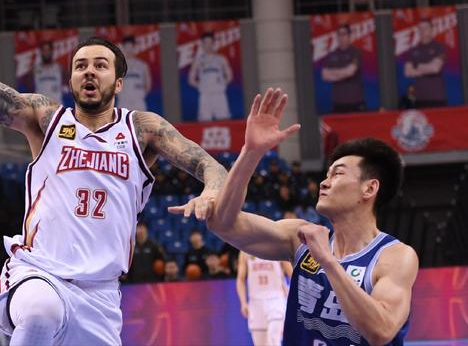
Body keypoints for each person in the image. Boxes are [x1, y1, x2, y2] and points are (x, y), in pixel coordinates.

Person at [0, 0, 226, 346]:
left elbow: (211, 166)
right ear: (72, 80)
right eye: (80, 65)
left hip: (101, 294)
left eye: (100, 65)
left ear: (118, 82)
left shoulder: (142, 130)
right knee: (40, 313)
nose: (89, 70)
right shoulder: (45, 119)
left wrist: (211, 191)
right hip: (39, 273)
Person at [173, 88, 419, 345]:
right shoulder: (299, 237)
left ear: (369, 188)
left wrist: (328, 262)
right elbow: (224, 224)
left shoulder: (394, 257)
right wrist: (251, 152)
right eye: (326, 174)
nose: (324, 182)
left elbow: (381, 330)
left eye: (337, 174)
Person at [236, 252, 292, 346]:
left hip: (276, 300)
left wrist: (291, 296)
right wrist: (243, 302)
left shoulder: (278, 247)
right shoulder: (244, 251)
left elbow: (293, 275)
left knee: (273, 339)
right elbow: (240, 279)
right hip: (255, 303)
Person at [188, 32, 233, 121]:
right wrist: (201, 86)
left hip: (219, 95)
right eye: (205, 43)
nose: (208, 46)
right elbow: (191, 79)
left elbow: (229, 76)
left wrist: (221, 84)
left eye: (210, 43)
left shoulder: (221, 59)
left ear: (214, 43)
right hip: (205, 96)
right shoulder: (198, 61)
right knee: (204, 120)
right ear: (202, 44)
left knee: (224, 119)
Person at [321, 24, 365, 113]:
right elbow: (325, 75)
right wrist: (343, 73)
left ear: (349, 36)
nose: (341, 37)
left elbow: (350, 72)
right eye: (339, 34)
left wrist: (333, 74)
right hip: (338, 104)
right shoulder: (332, 54)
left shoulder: (356, 53)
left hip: (355, 103)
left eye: (344, 34)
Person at [403, 18, 447, 108]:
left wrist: (416, 66)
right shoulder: (413, 50)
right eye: (420, 28)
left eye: (425, 28)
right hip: (419, 98)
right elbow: (408, 72)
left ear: (432, 30)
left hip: (436, 97)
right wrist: (427, 68)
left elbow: (435, 68)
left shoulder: (439, 47)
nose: (423, 31)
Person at [117, 36, 151, 111]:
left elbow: (148, 85)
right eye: (127, 47)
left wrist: (138, 96)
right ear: (123, 48)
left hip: (139, 103)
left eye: (131, 47)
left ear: (135, 47)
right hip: (123, 103)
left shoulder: (143, 65)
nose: (129, 50)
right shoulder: (118, 66)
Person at [30, 40, 65, 105]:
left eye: (48, 50)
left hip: (57, 106)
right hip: (41, 106)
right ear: (41, 52)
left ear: (52, 51)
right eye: (44, 50)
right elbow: (29, 90)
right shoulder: (35, 69)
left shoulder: (59, 68)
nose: (46, 53)